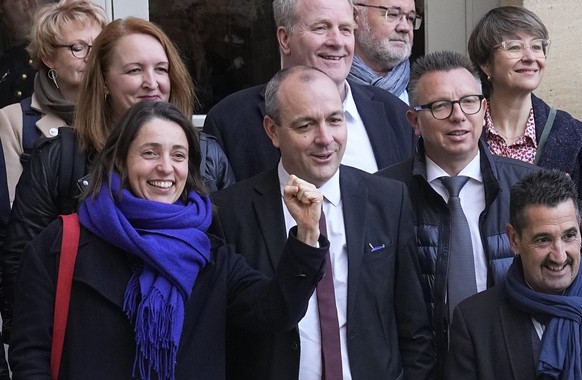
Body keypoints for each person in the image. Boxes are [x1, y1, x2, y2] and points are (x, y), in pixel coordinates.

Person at [8, 100, 329, 379]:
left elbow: (274, 311)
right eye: (149, 152)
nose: (165, 167)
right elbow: (31, 353)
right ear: (120, 160)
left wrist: (306, 234)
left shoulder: (210, 252)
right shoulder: (64, 243)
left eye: (178, 155)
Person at [1, 17, 235, 342]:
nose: (151, 83)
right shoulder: (60, 158)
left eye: (161, 69)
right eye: (134, 70)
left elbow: (231, 265)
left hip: (189, 346)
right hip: (86, 349)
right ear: (104, 81)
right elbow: (21, 267)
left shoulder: (205, 157)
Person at [212, 65, 434, 380]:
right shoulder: (230, 213)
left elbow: (414, 327)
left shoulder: (387, 199)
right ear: (272, 131)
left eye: (334, 120)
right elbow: (232, 329)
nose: (325, 138)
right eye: (306, 125)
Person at [376, 50, 538, 376]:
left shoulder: (528, 186)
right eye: (440, 105)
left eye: (469, 101)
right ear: (414, 121)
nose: (458, 116)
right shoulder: (382, 194)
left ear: (484, 110)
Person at [203, 0, 415, 182]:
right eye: (321, 28)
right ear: (285, 39)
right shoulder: (230, 122)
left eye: (345, 29)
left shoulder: (396, 114)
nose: (337, 42)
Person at [445, 169, 582, 380]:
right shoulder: (475, 322)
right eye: (543, 240)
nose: (559, 255)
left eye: (569, 236)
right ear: (514, 240)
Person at [0, 0, 108, 208]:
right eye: (78, 48)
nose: (91, 57)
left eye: (99, 47)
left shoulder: (119, 109)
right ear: (49, 57)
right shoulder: (14, 120)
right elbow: (13, 217)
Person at [468, 6, 582, 196]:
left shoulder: (572, 133)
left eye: (537, 46)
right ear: (486, 64)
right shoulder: (464, 129)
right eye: (514, 47)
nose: (530, 57)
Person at [349, 0, 421, 104]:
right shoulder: (328, 83)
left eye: (410, 18)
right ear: (354, 16)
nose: (405, 27)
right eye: (393, 14)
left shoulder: (425, 86)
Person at [0, 0, 53, 107]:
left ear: (25, 3)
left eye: (2, 3)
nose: (0, 10)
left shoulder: (55, 55)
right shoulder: (10, 58)